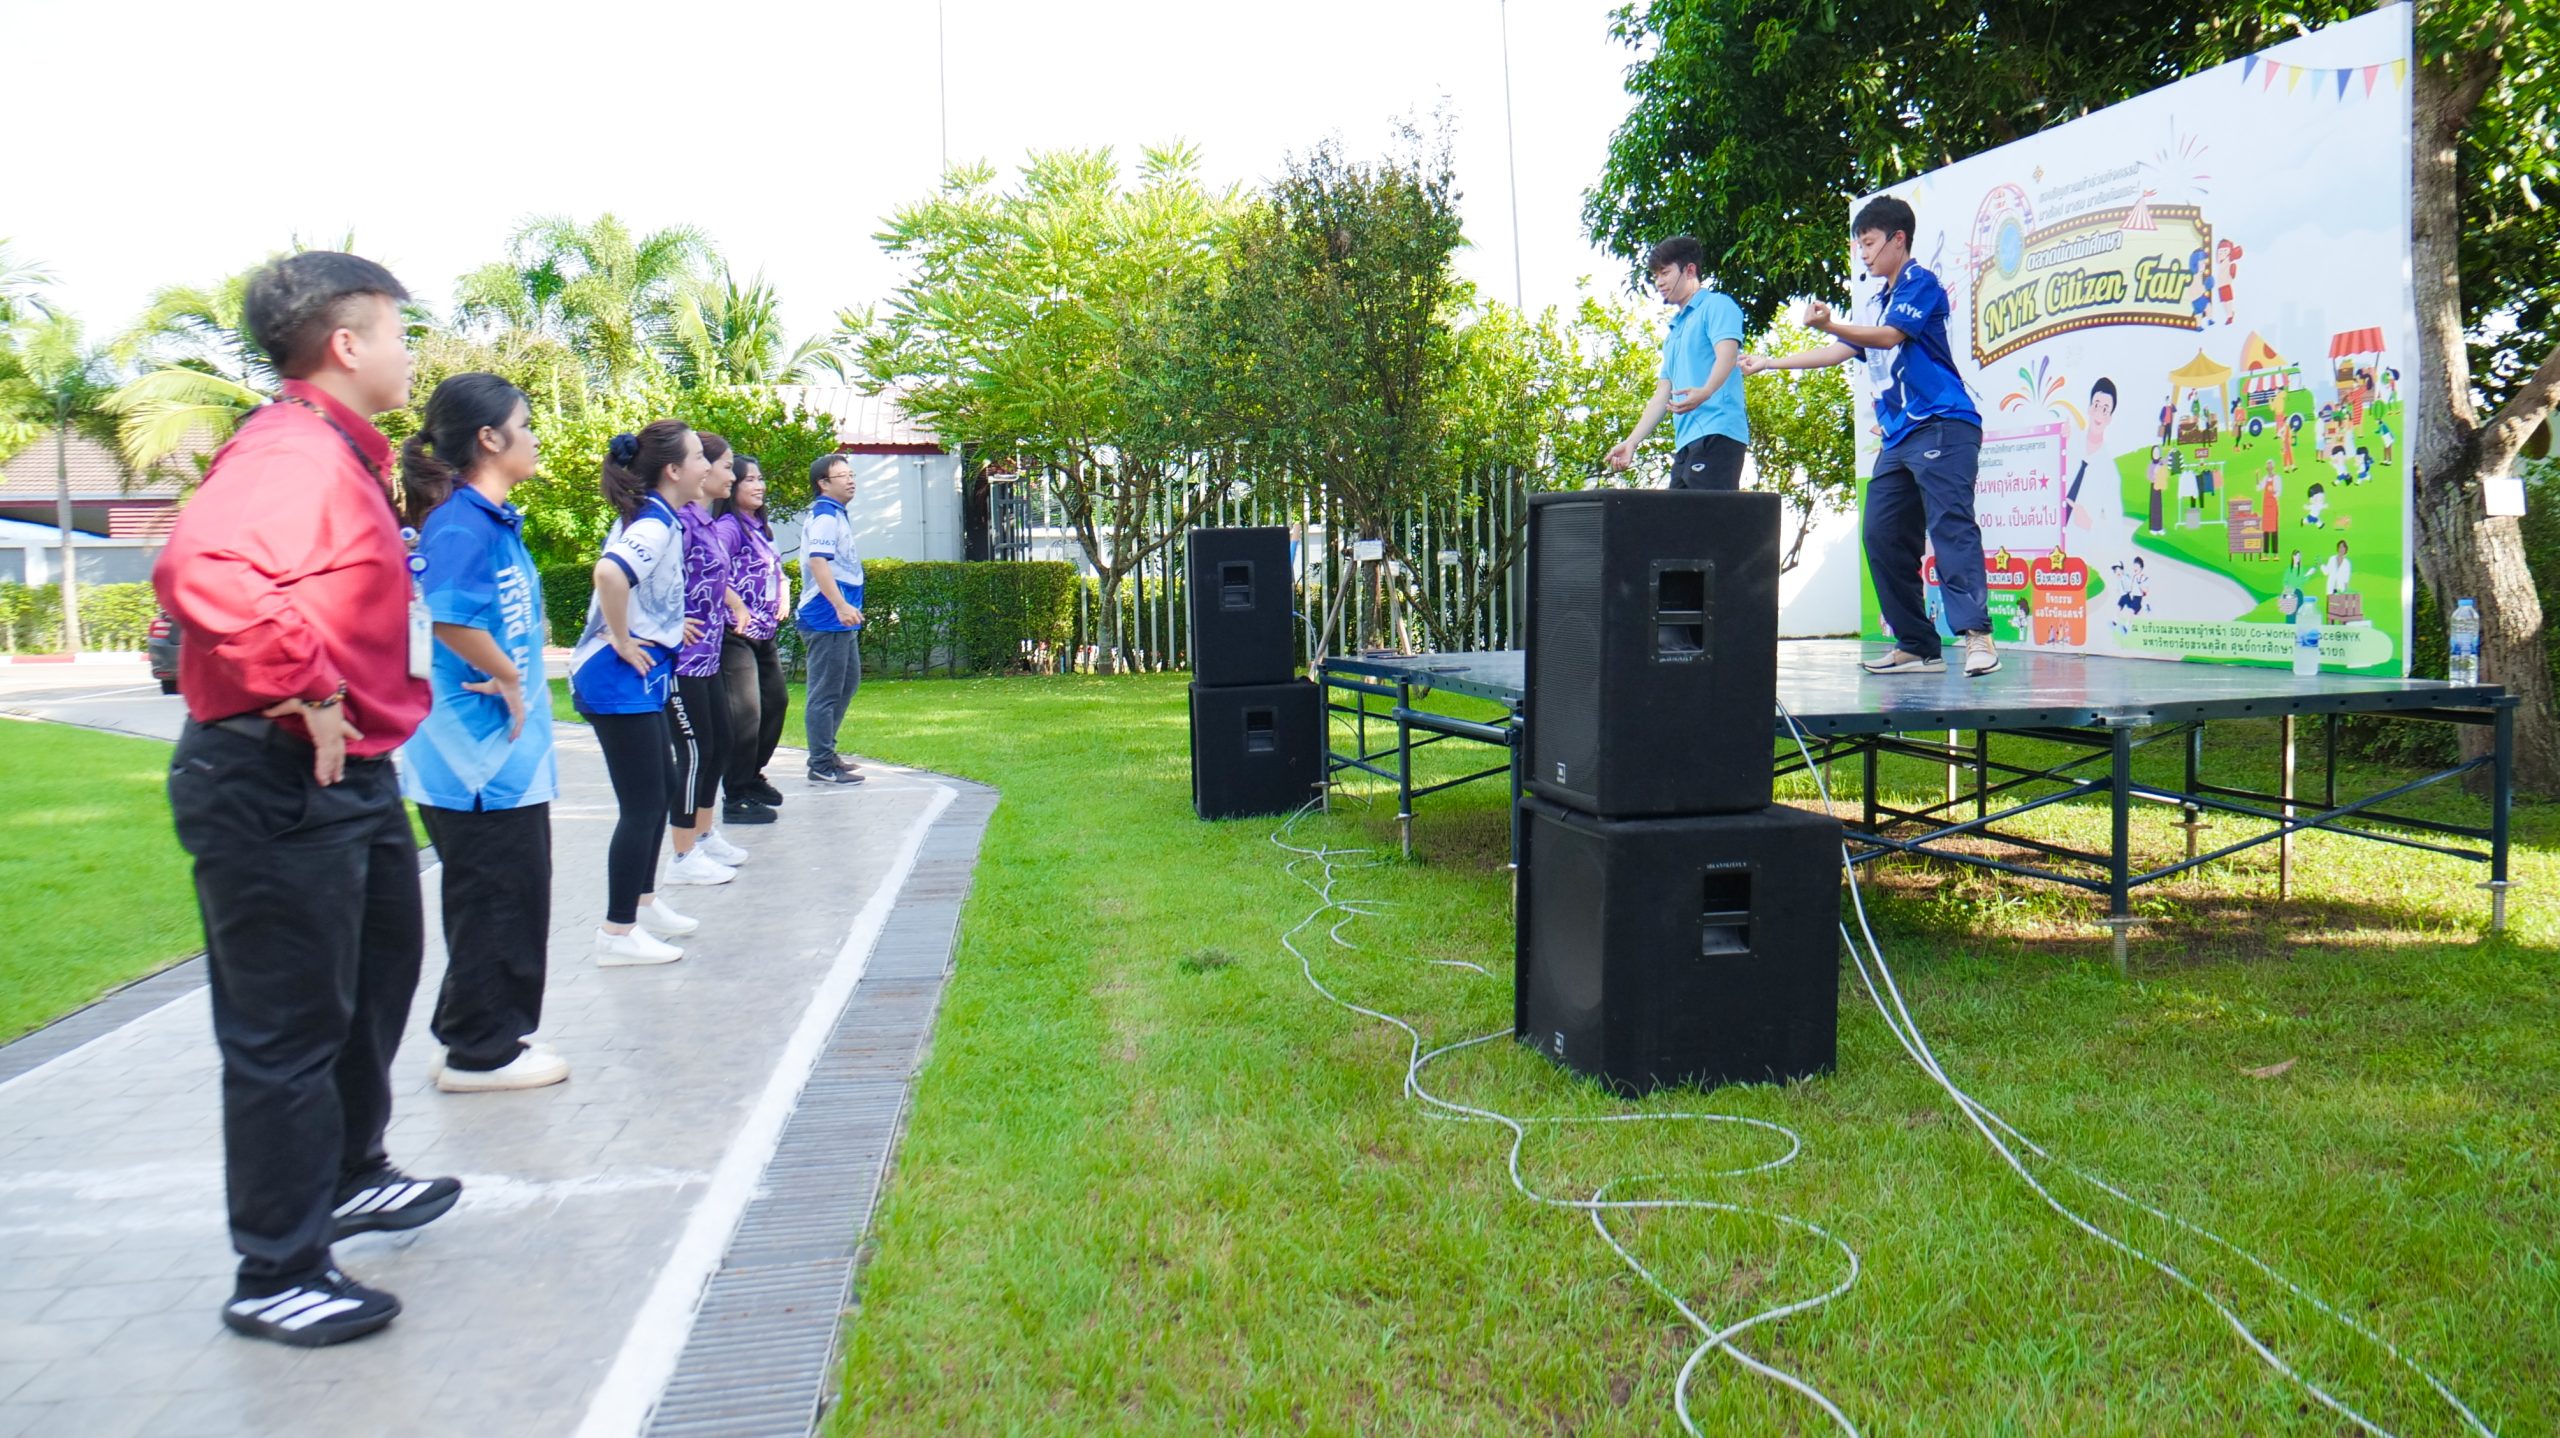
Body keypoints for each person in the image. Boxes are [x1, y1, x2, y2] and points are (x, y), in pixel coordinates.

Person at [154, 251, 455, 1347]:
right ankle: (276, 1270)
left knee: (374, 984)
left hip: (348, 779)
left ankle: (350, 1173)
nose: (408, 354)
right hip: (276, 775)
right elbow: (205, 570)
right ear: (346, 343)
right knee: (286, 1031)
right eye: (397, 333)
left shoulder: (340, 454)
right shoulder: (291, 453)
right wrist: (310, 683)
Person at [395, 373, 568, 1094]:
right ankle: (482, 1052)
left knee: (500, 896)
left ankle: (466, 1029)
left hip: (503, 758)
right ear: (490, 439)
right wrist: (505, 674)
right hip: (475, 762)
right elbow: (447, 613)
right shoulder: (461, 523)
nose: (535, 438)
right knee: (500, 899)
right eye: (525, 425)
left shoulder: (487, 518)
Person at [1741, 195, 1997, 674]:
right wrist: (1769, 362)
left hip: (1942, 423)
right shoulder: (1879, 302)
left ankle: (1978, 637)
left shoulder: (1920, 283)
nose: (1863, 254)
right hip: (1899, 438)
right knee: (1881, 535)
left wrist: (1831, 322)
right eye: (1859, 245)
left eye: (1870, 243)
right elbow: (1839, 351)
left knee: (1950, 526)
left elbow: (1890, 337)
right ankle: (1917, 645)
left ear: (1898, 240)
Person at [569, 421, 713, 965]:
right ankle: (617, 932)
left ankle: (643, 903)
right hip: (615, 677)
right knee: (643, 803)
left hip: (638, 676)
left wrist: (664, 626)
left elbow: (641, 590)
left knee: (664, 785)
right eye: (699, 457)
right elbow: (609, 574)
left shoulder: (659, 518)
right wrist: (625, 640)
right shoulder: (653, 524)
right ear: (673, 470)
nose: (706, 465)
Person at [667, 433, 752, 875]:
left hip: (708, 656)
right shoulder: (676, 523)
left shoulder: (703, 521)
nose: (731, 475)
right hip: (680, 661)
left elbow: (708, 577)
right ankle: (682, 856)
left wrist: (734, 602)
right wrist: (668, 623)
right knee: (695, 753)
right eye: (725, 465)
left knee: (719, 745)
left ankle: (703, 834)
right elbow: (639, 579)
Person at [1605, 235, 1749, 489]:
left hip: (1718, 431)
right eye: (1656, 276)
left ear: (1689, 270)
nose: (1659, 282)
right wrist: (1632, 441)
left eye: (1665, 273)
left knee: (1708, 514)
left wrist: (1706, 391)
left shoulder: (1718, 305)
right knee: (1675, 514)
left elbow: (1727, 356)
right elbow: (1662, 394)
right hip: (1685, 442)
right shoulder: (1674, 332)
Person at [715, 455, 789, 822]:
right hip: (736, 632)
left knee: (776, 702)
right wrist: (737, 605)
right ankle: (736, 795)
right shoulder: (729, 527)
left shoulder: (758, 527)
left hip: (764, 632)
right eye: (750, 480)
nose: (759, 486)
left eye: (761, 479)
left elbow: (774, 569)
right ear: (733, 487)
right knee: (746, 714)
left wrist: (784, 590)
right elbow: (711, 569)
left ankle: (752, 775)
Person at [797, 454, 867, 784]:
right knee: (826, 691)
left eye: (851, 474)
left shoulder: (835, 513)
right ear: (823, 483)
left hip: (839, 617)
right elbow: (818, 562)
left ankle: (825, 752)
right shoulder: (825, 516)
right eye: (842, 476)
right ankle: (821, 763)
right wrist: (839, 605)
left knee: (847, 682)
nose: (851, 480)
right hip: (825, 616)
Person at [2061, 377, 2115, 531]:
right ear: (2089, 408)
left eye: (2105, 409)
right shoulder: (2070, 440)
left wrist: (2090, 524)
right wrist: (2058, 441)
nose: (2099, 413)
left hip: (2080, 541)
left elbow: (2112, 525)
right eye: (2096, 405)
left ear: (2109, 418)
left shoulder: (2108, 470)